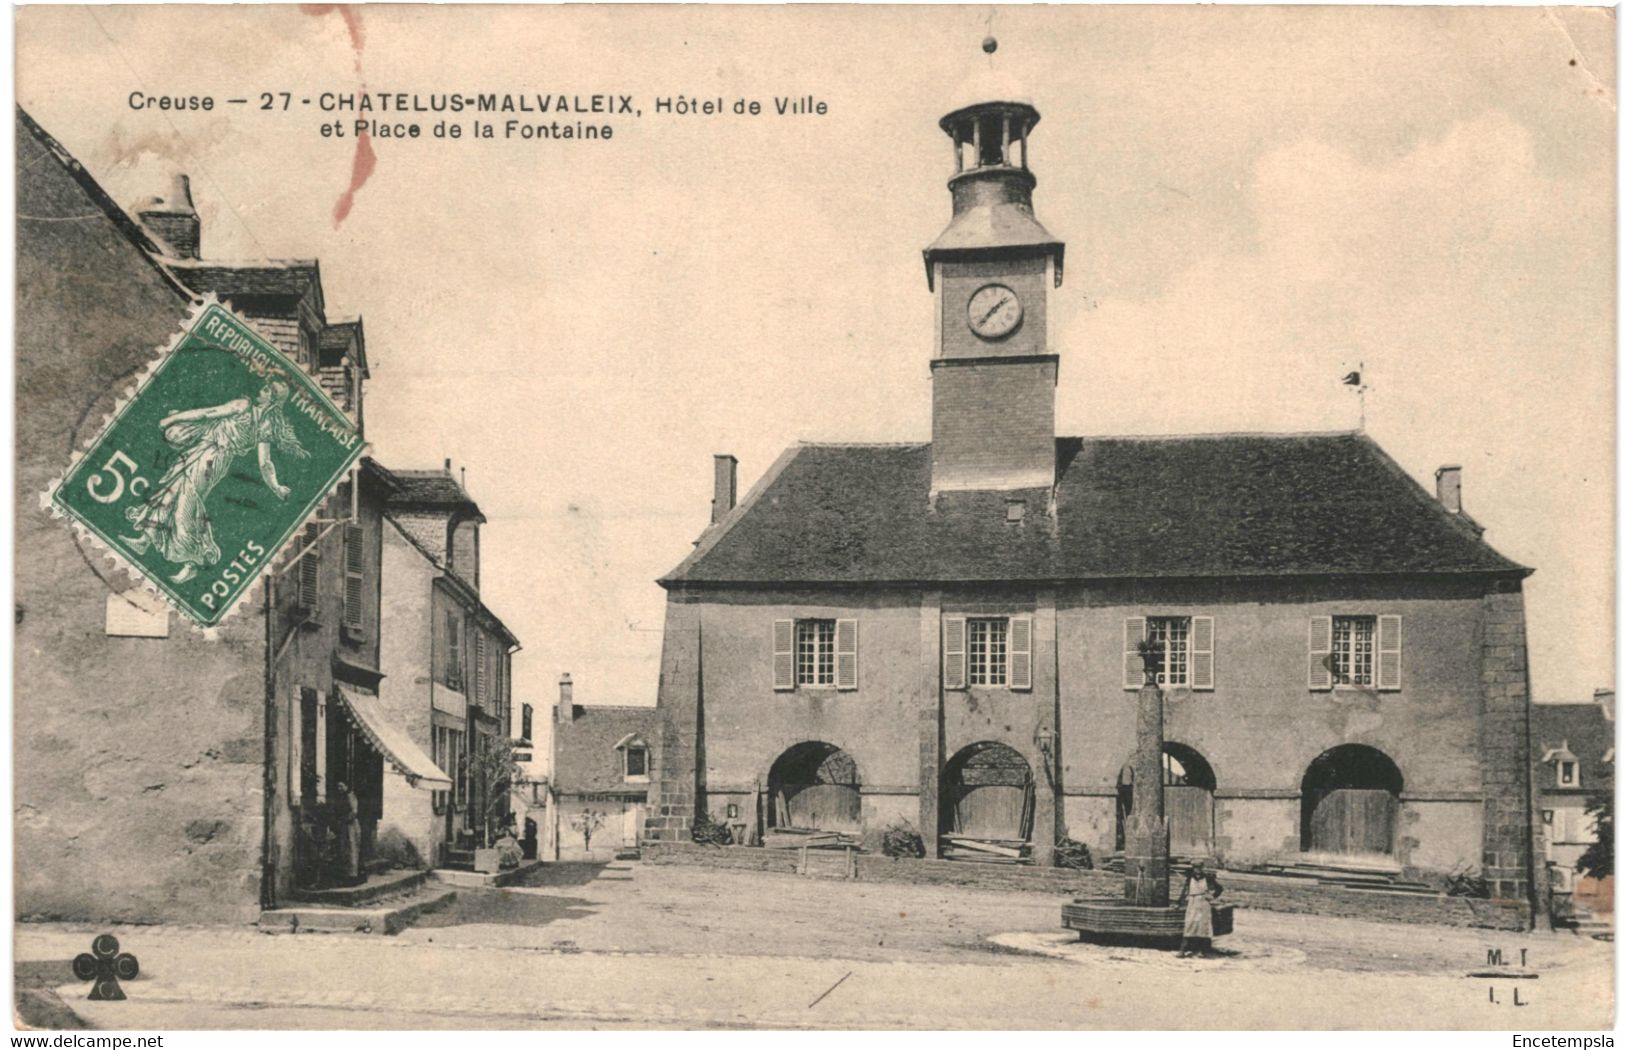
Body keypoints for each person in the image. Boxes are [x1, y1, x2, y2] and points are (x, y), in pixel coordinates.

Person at [120, 380, 308, 583]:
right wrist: (276, 487)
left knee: (186, 503)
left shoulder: (244, 406)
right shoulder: (266, 423)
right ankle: (145, 539)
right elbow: (265, 463)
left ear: (270, 397)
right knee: (170, 492)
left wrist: (172, 419)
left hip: (211, 457)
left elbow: (207, 414)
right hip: (208, 453)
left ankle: (195, 559)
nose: (260, 389)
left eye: (265, 389)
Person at [1177, 860, 1223, 957]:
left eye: (1199, 868)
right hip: (1192, 903)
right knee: (1190, 924)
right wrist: (1178, 903)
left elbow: (1219, 888)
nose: (1197, 870)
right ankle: (1183, 950)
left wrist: (1213, 896)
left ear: (1202, 868)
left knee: (1204, 926)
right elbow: (1185, 891)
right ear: (1193, 868)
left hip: (1203, 903)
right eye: (1195, 868)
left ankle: (1205, 951)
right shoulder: (1190, 878)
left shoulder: (1208, 878)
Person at [333, 781, 362, 886]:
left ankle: (353, 876)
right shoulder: (341, 797)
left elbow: (354, 811)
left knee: (352, 848)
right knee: (345, 849)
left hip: (351, 826)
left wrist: (345, 819)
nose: (339, 788)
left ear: (346, 786)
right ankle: (347, 875)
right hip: (344, 826)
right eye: (338, 786)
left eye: (341, 786)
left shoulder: (350, 796)